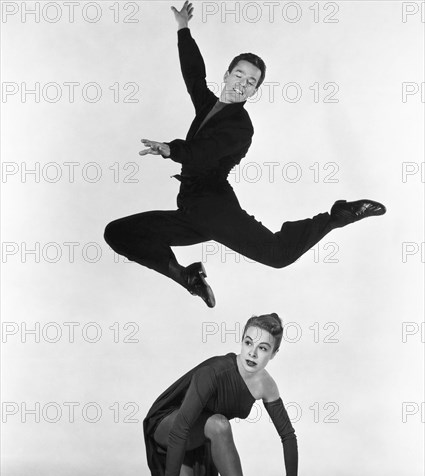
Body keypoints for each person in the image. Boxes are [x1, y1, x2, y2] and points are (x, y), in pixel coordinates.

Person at [104, 1, 386, 308]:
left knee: (278, 255)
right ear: (226, 75)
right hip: (190, 207)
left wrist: (171, 149)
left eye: (251, 82)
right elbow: (194, 76)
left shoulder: (240, 127)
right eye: (239, 75)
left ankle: (337, 216)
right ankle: (188, 277)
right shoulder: (210, 106)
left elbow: (203, 154)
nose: (243, 84)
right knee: (119, 233)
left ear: (253, 92)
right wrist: (183, 29)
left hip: (215, 208)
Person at [70, 313, 313, 476]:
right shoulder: (214, 372)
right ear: (241, 342)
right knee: (219, 424)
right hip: (169, 425)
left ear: (274, 354)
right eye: (248, 343)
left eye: (263, 348)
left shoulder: (266, 385)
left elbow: (288, 436)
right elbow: (180, 429)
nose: (252, 353)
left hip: (199, 435)